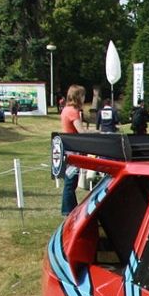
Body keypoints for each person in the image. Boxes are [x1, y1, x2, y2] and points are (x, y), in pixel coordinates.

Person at [60, 85, 87, 216]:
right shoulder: (73, 111)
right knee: (71, 183)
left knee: (70, 182)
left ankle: (71, 208)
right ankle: (68, 210)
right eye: (82, 95)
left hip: (68, 148)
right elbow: (81, 131)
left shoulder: (65, 109)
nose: (84, 98)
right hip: (73, 150)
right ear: (77, 97)